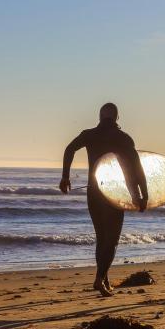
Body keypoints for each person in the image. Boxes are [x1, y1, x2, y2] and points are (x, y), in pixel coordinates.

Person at [59, 103, 148, 296]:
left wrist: (65, 176)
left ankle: (104, 279)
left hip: (93, 191)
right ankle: (100, 278)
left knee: (102, 237)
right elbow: (136, 167)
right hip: (114, 193)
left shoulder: (89, 134)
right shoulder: (123, 138)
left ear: (100, 116)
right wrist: (143, 194)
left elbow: (69, 149)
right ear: (117, 117)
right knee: (112, 240)